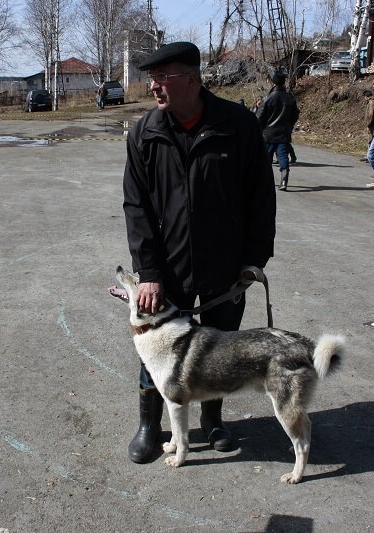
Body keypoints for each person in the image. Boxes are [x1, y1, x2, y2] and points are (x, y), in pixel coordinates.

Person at [123, 41, 276, 464]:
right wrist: (148, 272)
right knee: (156, 348)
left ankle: (212, 421)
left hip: (226, 269)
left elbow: (260, 198)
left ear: (191, 78)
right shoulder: (145, 133)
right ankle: (150, 426)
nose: (153, 86)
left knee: (220, 349)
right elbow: (136, 209)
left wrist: (253, 260)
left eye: (162, 78)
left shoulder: (238, 125)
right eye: (150, 78)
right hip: (167, 271)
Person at [256, 70, 298, 191]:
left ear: (273, 82)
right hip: (284, 133)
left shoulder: (268, 98)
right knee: (283, 157)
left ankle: (264, 182)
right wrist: (289, 126)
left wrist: (260, 129)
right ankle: (284, 181)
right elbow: (295, 115)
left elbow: (259, 117)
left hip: (268, 134)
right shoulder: (290, 98)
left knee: (265, 159)